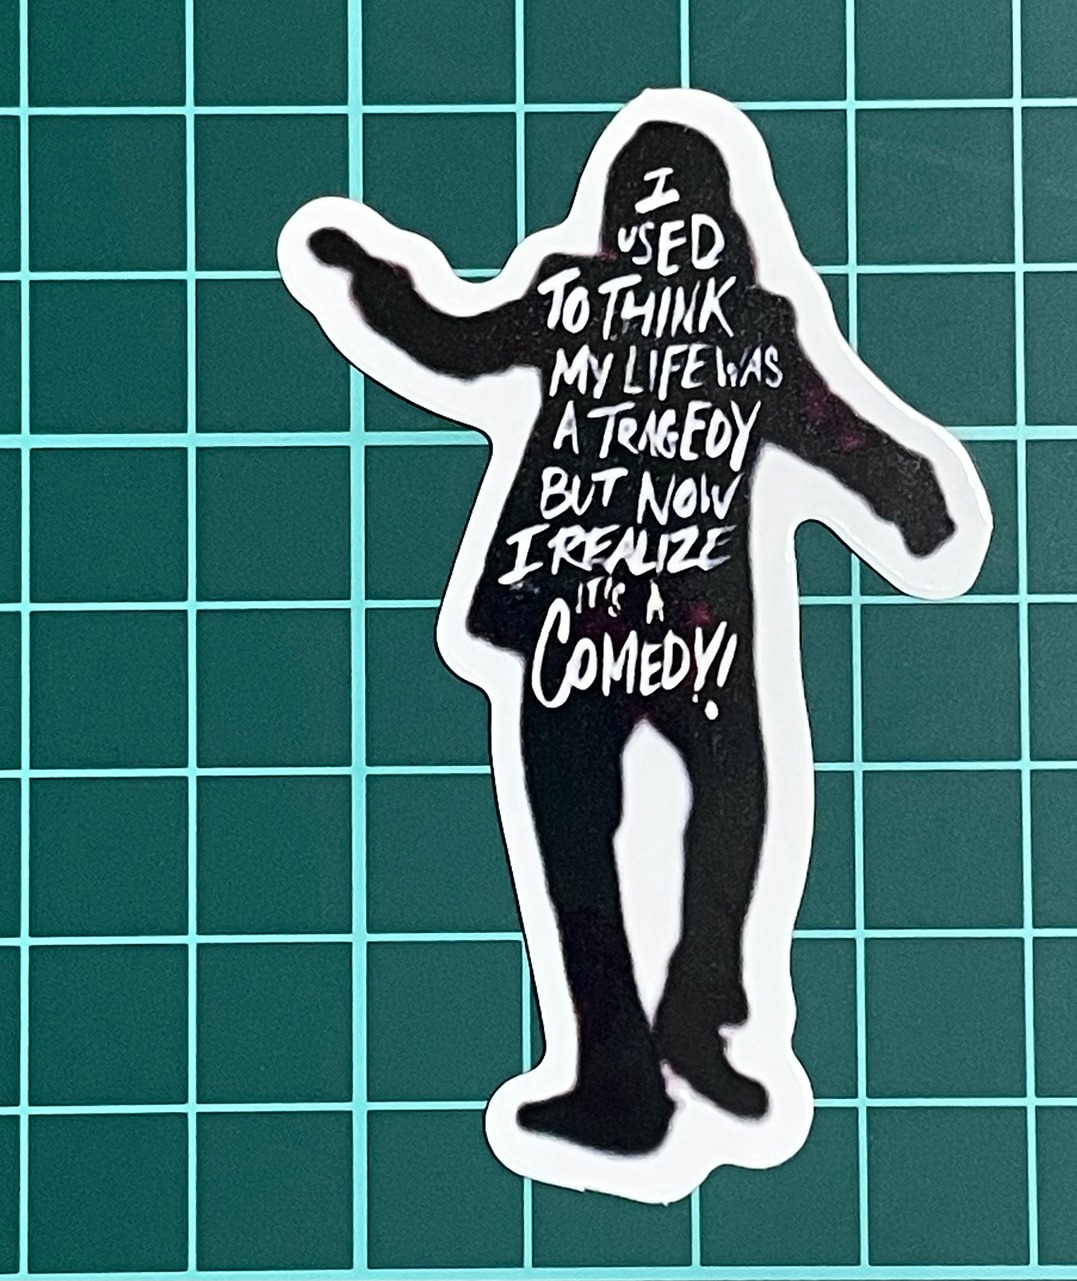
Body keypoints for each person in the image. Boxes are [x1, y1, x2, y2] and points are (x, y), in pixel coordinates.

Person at [307, 121, 957, 1155]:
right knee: (578, 842)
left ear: (717, 224)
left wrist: (908, 490)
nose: (659, 235)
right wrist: (373, 281)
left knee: (735, 801)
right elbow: (455, 342)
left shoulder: (744, 328)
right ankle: (616, 1071)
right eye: (642, 211)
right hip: (574, 617)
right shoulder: (575, 302)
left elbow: (830, 423)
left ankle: (696, 1009)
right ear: (615, 223)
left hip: (689, 630)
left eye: (679, 212)